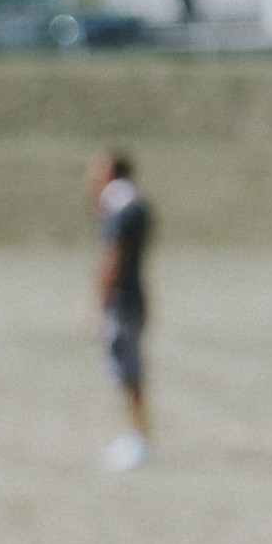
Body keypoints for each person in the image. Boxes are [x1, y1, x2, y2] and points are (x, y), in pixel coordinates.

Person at [89, 148, 154, 470]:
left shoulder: (119, 208)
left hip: (122, 300)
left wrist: (98, 305)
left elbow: (112, 259)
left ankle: (138, 439)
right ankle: (136, 436)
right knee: (129, 369)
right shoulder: (136, 205)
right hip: (135, 296)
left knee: (127, 371)